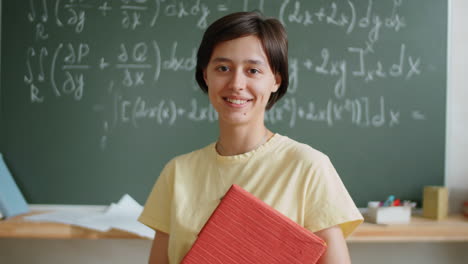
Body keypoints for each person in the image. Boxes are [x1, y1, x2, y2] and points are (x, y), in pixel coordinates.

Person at [138, 11, 363, 264]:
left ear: (276, 80)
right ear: (205, 75)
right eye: (223, 68)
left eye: (253, 70)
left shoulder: (308, 167)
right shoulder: (177, 173)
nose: (236, 83)